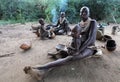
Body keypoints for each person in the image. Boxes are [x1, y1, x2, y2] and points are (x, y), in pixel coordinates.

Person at [24, 6, 97, 80]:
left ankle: (41, 68)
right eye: (82, 12)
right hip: (80, 44)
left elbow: (90, 39)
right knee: (66, 51)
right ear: (80, 13)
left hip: (88, 47)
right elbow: (76, 35)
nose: (83, 13)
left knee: (70, 58)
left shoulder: (92, 22)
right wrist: (73, 45)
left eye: (85, 12)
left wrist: (79, 50)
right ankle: (42, 70)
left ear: (89, 13)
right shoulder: (80, 23)